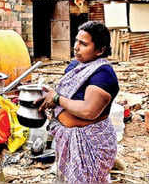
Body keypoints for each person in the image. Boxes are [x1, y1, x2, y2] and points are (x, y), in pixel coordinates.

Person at [36, 21, 119, 183]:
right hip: (68, 140)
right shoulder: (76, 66)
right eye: (76, 41)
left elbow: (89, 111)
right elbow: (68, 94)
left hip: (90, 145)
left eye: (83, 44)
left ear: (100, 50)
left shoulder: (103, 73)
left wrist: (57, 98)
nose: (76, 47)